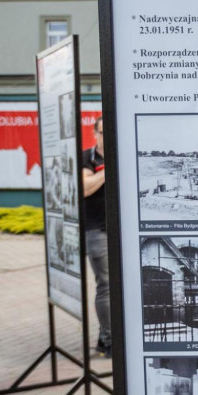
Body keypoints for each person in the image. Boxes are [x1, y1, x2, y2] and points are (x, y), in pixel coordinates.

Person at [82, 117, 111, 357]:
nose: (106, 136)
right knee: (106, 285)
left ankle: (108, 337)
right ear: (94, 133)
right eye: (102, 131)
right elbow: (85, 187)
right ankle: (109, 341)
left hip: (121, 233)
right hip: (98, 231)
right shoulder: (86, 158)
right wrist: (109, 168)